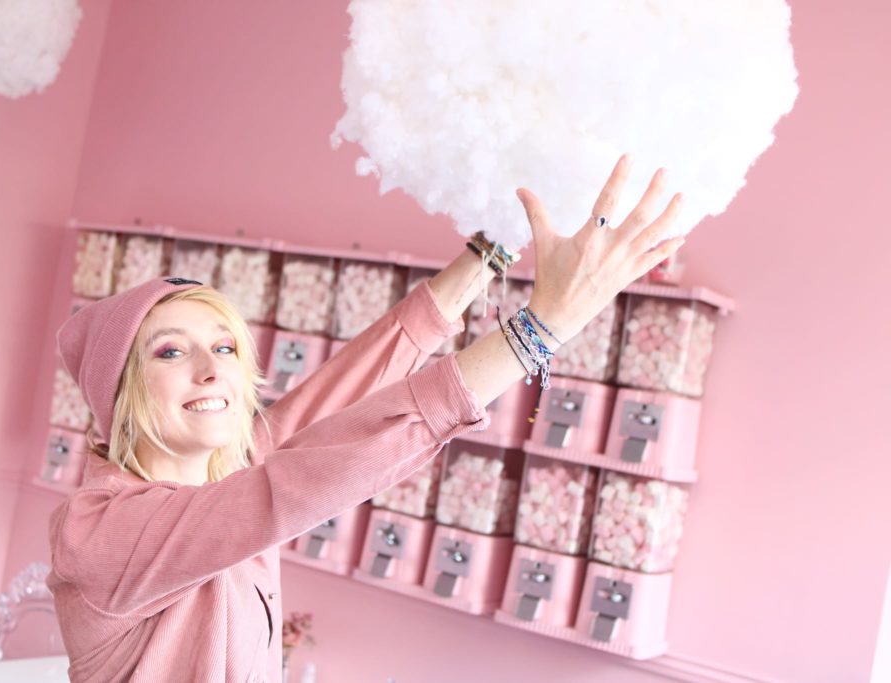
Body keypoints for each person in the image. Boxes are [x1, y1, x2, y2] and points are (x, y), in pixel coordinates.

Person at [48, 156, 684, 682]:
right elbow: (301, 482)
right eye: (170, 351)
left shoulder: (227, 471)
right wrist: (539, 331)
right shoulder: (99, 530)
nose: (212, 370)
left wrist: (490, 248)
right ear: (118, 390)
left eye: (224, 347)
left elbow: (336, 398)